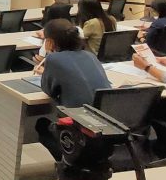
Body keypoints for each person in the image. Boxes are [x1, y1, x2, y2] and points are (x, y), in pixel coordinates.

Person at [35, 19, 112, 160]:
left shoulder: (53, 59)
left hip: (79, 131)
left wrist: (47, 67)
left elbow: (48, 90)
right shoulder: (90, 56)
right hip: (106, 128)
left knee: (41, 124)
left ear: (49, 42)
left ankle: (67, 159)